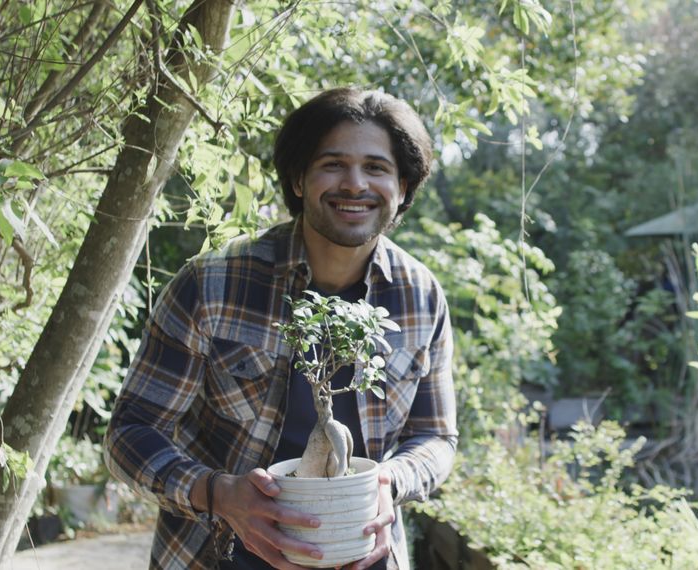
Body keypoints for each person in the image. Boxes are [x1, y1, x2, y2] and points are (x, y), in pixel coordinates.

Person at [105, 87, 457, 570]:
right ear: (298, 178)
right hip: (216, 555)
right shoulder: (212, 283)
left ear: (402, 188)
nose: (355, 184)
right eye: (332, 164)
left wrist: (389, 482)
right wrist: (219, 493)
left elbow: (436, 437)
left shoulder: (420, 295)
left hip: (363, 554)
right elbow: (131, 430)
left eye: (376, 168)